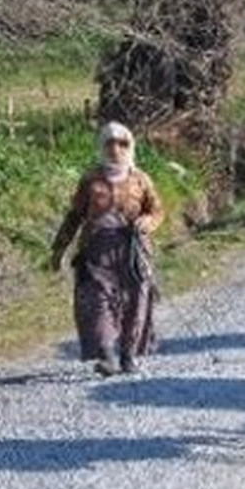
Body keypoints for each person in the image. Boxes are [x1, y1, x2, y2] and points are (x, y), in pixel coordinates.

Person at [49, 121, 164, 377]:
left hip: (133, 249)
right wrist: (59, 250)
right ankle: (107, 355)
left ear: (130, 146)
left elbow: (156, 211)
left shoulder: (141, 179)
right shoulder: (90, 179)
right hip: (96, 250)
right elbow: (74, 216)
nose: (116, 148)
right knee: (98, 300)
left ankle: (128, 354)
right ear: (102, 146)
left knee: (137, 299)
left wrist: (148, 222)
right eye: (110, 142)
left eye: (122, 143)